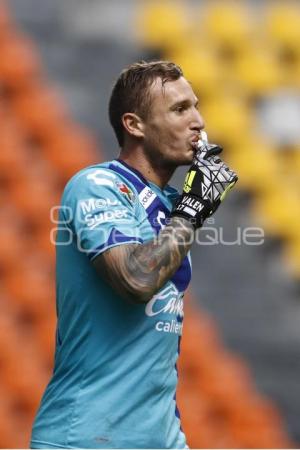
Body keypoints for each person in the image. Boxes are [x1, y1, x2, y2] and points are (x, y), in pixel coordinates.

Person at [30, 60, 237, 449]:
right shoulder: (96, 185)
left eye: (195, 105)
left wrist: (187, 209)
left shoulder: (173, 204)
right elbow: (137, 279)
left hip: (161, 438)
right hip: (85, 437)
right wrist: (193, 210)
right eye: (179, 109)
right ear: (135, 125)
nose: (199, 121)